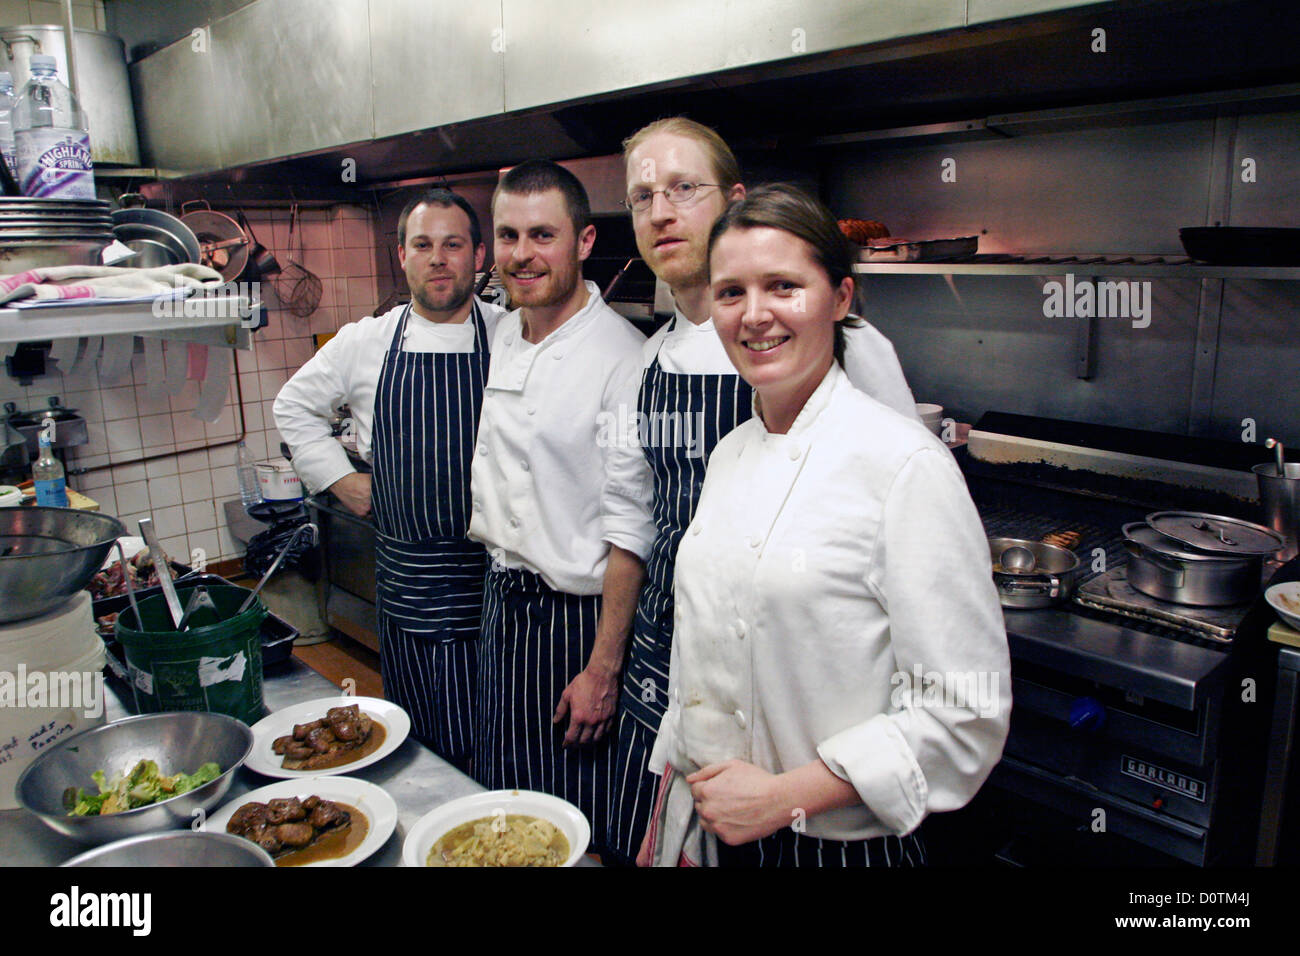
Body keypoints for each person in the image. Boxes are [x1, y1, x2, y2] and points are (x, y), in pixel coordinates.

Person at [639, 184, 1011, 867]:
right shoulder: (731, 454)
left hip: (836, 848)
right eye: (730, 293)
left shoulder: (903, 467)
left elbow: (965, 714)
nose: (755, 316)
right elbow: (703, 657)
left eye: (784, 286)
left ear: (839, 299)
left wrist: (784, 797)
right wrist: (673, 817)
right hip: (720, 831)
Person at [604, 117, 924, 865]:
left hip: (801, 695)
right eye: (643, 196)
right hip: (670, 669)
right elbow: (630, 523)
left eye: (684, 188)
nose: (661, 212)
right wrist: (607, 664)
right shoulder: (641, 366)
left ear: (735, 201)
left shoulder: (848, 352)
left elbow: (898, 514)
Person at [274, 189, 504, 772]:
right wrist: (340, 481)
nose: (438, 258)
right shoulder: (366, 342)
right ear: (401, 255)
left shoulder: (511, 336)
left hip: (495, 580)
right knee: (420, 737)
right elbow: (292, 406)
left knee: (495, 734)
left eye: (453, 245)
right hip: (407, 585)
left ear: (479, 255)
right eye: (423, 245)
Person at [468, 160, 650, 850]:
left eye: (542, 235)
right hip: (501, 604)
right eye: (508, 235)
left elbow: (631, 528)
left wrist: (603, 668)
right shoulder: (505, 334)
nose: (522, 255)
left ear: (583, 241)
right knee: (501, 802)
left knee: (566, 820)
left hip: (574, 624)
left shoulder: (621, 359)